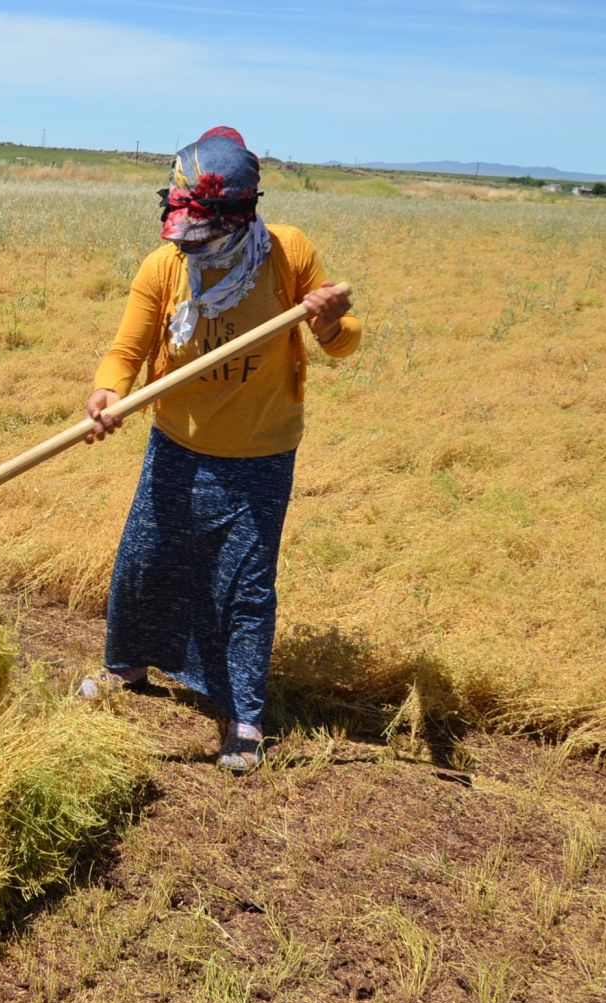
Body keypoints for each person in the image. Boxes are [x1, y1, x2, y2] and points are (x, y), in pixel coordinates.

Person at [78, 126, 359, 773]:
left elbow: (345, 342)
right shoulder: (164, 267)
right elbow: (126, 351)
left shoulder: (287, 254)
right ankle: (128, 664)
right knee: (147, 560)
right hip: (177, 445)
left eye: (201, 232)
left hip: (261, 454)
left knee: (245, 585)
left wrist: (327, 322)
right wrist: (108, 392)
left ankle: (243, 714)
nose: (188, 242)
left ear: (241, 215)